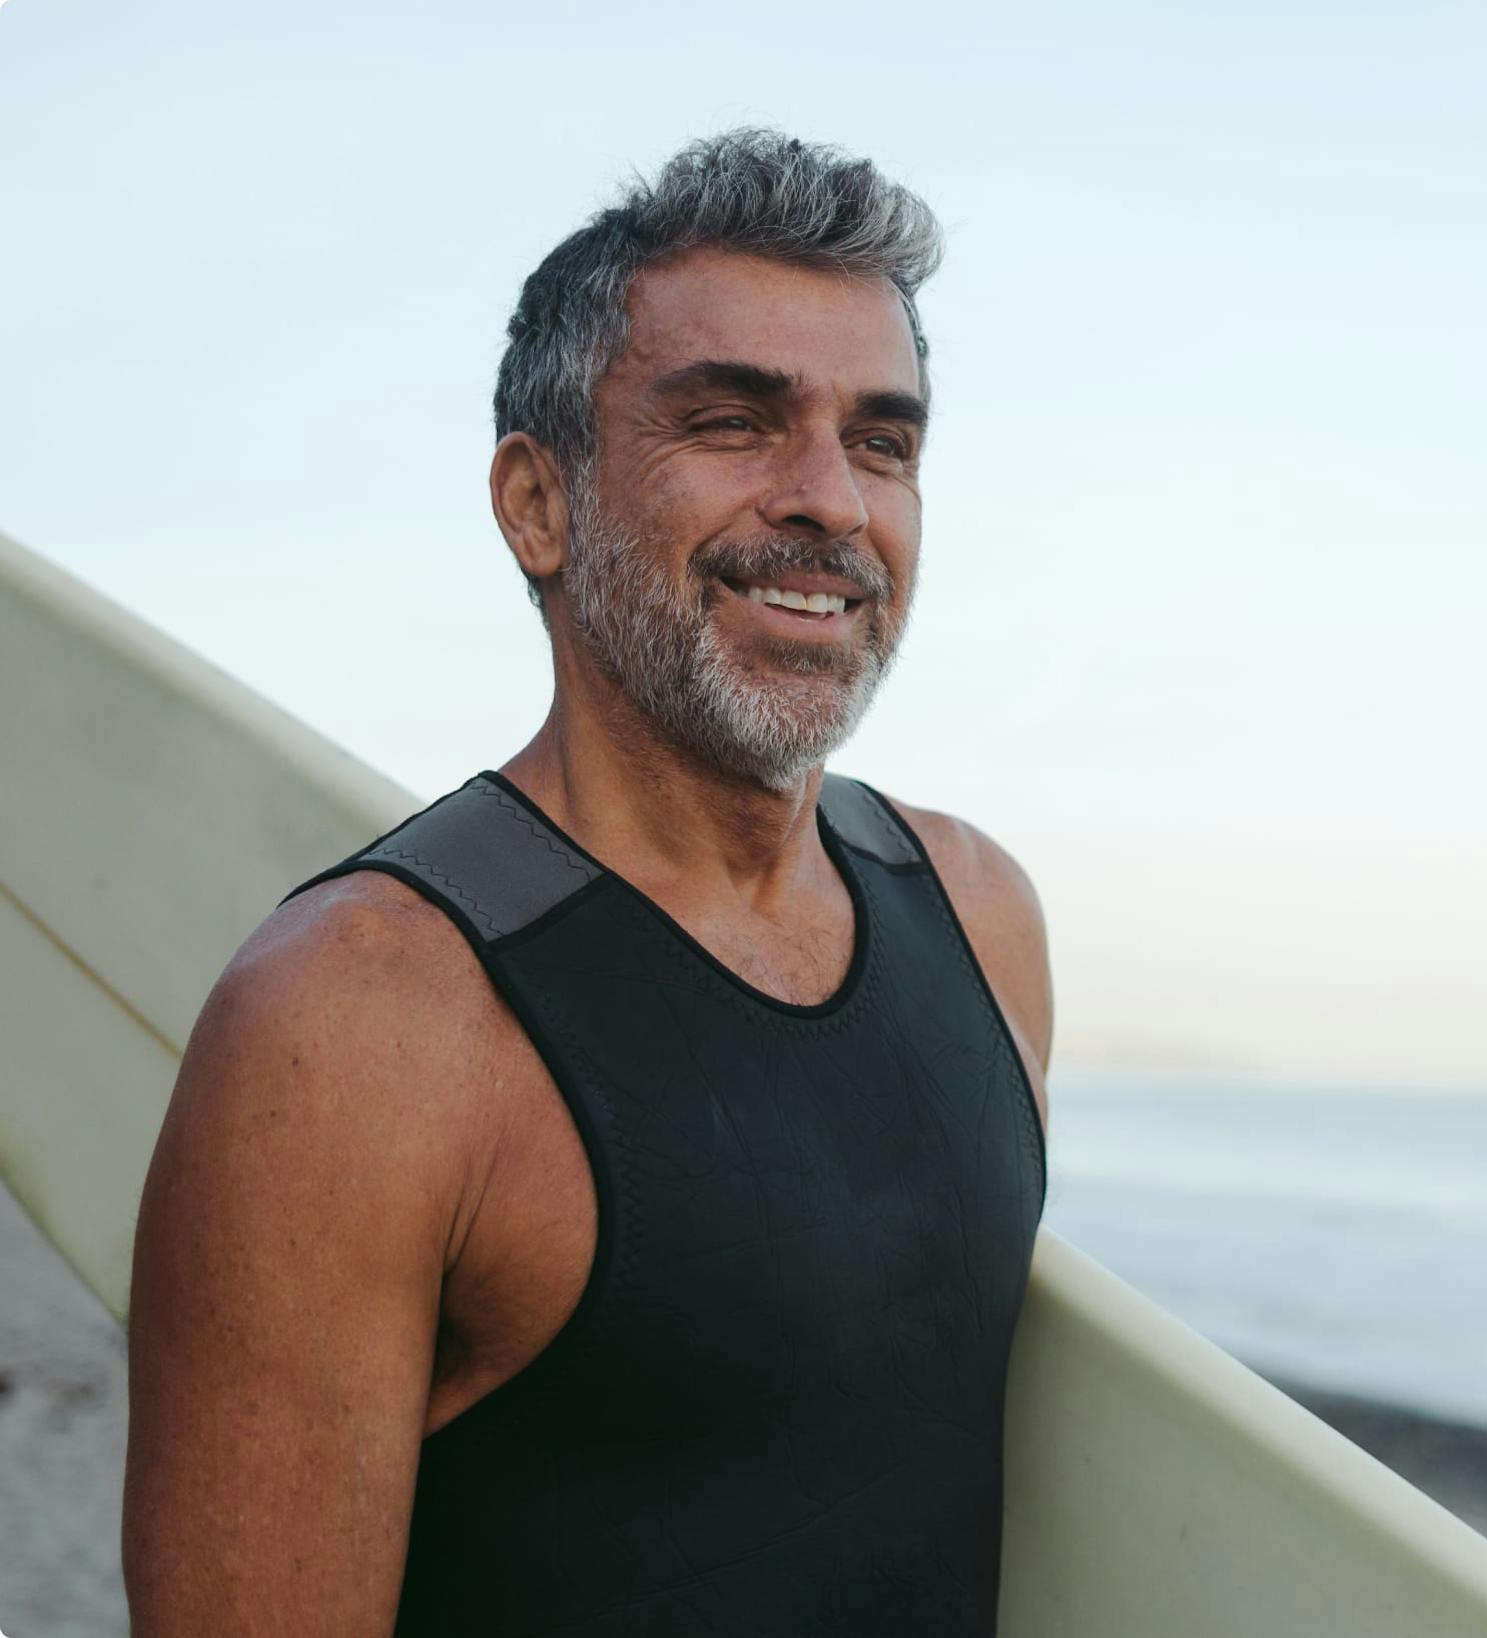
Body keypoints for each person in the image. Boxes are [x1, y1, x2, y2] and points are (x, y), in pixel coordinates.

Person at [122, 129, 1053, 1637]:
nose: (830, 499)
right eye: (734, 421)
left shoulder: (980, 915)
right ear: (536, 502)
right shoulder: (360, 1021)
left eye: (881, 440)